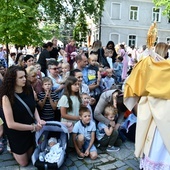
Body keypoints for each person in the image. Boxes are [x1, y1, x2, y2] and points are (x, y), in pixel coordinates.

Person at [124, 42, 170, 170]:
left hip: (155, 117)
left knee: (157, 147)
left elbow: (134, 86)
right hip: (161, 116)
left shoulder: (149, 67)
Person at [0, 65, 46, 166]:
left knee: (30, 156)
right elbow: (11, 124)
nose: (25, 79)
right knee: (24, 163)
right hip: (16, 132)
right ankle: (11, 146)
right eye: (21, 77)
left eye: (25, 76)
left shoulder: (28, 88)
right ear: (12, 79)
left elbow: (33, 107)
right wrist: (33, 127)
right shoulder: (6, 97)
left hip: (29, 128)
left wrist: (38, 120)